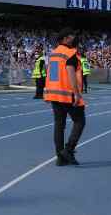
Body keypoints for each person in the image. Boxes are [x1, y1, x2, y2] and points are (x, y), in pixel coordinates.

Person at [44, 28, 86, 167]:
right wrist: (77, 93)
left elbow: (54, 74)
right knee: (80, 121)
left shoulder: (54, 54)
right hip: (68, 94)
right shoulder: (70, 53)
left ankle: (60, 157)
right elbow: (70, 73)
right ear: (66, 38)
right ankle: (68, 150)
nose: (75, 38)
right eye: (72, 35)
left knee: (59, 125)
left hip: (54, 93)